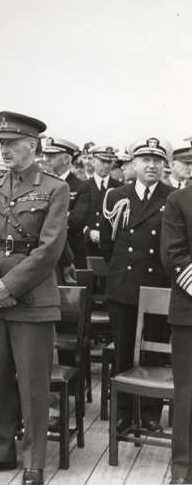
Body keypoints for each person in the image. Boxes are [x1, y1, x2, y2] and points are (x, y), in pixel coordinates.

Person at [0, 111, 68, 485]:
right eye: (1, 144)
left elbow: (49, 250)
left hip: (31, 301)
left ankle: (34, 461)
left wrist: (10, 286)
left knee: (32, 385)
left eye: (11, 144)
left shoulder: (55, 188)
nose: (5, 150)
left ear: (33, 145)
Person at [101, 137, 175, 434]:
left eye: (157, 160)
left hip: (158, 287)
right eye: (145, 159)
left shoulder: (173, 198)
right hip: (123, 287)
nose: (152, 165)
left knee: (154, 354)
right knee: (122, 350)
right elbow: (108, 244)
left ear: (164, 165)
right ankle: (123, 411)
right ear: (133, 163)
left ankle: (150, 413)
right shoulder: (117, 195)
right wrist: (121, 275)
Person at [161, 176, 192, 484]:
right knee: (188, 393)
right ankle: (183, 469)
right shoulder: (180, 200)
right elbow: (174, 255)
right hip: (190, 311)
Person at [43, 138, 91, 269]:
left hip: (71, 255)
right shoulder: (41, 185)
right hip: (42, 255)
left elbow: (76, 221)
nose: (46, 159)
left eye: (51, 156)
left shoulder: (82, 187)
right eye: (46, 155)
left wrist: (46, 221)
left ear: (65, 159)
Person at [83, 145, 121, 257]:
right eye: (102, 161)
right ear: (93, 161)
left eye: (109, 162)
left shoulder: (120, 188)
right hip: (88, 247)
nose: (106, 165)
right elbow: (75, 217)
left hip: (111, 247)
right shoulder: (83, 186)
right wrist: (88, 232)